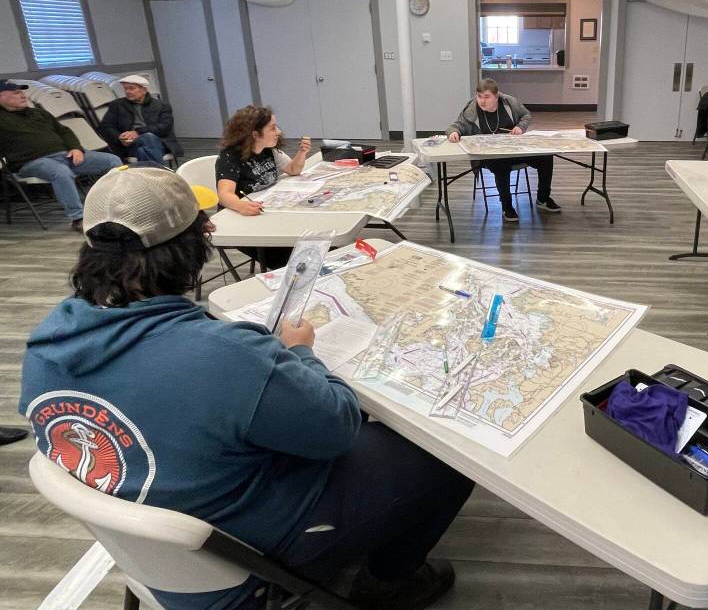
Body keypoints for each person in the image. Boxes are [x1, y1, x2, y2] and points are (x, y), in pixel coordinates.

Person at [20, 166, 474, 610]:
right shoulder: (221, 355)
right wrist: (299, 353)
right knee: (443, 454)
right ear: (191, 249)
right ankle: (390, 583)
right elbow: (338, 427)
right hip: (237, 558)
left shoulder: (46, 341)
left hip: (152, 549)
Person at [0, 79, 120, 232]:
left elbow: (64, 131)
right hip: (32, 162)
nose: (23, 95)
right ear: (1, 97)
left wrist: (76, 148)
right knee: (61, 172)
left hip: (66, 155)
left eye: (22, 92)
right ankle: (78, 218)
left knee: (112, 160)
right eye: (16, 93)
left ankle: (116, 204)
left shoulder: (39, 113)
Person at [446, 78, 561, 223]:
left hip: (514, 149)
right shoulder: (472, 109)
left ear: (496, 96)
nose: (482, 101)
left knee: (545, 157)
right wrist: (453, 133)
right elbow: (455, 126)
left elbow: (526, 115)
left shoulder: (509, 102)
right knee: (501, 164)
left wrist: (520, 127)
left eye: (487, 97)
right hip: (487, 155)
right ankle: (507, 207)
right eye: (479, 96)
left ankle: (543, 198)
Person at [215, 105, 311, 269]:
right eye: (273, 128)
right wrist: (241, 205)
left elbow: (293, 170)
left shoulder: (269, 150)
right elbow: (224, 195)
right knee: (294, 260)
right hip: (241, 221)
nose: (278, 132)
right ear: (255, 133)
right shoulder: (230, 157)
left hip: (269, 214)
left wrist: (302, 152)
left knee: (313, 247)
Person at [98, 75, 183, 164]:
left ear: (144, 90)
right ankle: (162, 174)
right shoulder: (117, 105)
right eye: (125, 89)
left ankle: (153, 175)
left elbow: (165, 127)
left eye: (131, 88)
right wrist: (119, 137)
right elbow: (105, 126)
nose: (128, 91)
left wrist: (138, 132)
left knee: (143, 149)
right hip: (129, 144)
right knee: (148, 140)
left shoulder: (161, 105)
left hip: (160, 143)